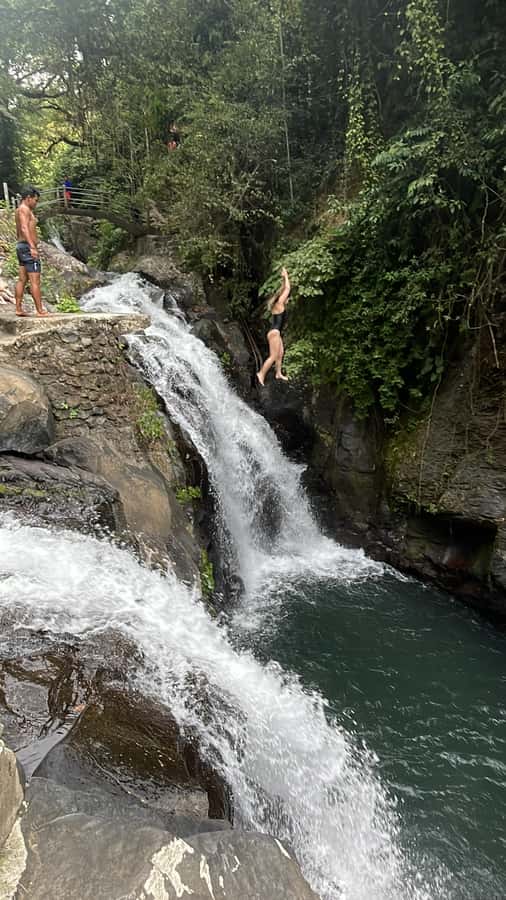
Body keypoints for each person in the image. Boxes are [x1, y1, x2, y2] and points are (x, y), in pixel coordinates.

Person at [14, 186, 49, 317]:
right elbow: (24, 228)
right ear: (28, 198)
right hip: (27, 247)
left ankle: (18, 308)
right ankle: (40, 310)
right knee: (35, 281)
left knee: (22, 279)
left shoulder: (20, 210)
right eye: (35, 200)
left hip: (21, 246)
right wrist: (32, 247)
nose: (36, 203)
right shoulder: (24, 209)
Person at [256, 267, 291, 385]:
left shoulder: (278, 304)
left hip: (276, 333)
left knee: (280, 353)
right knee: (273, 356)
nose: (288, 300)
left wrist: (283, 279)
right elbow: (287, 288)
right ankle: (261, 374)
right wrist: (286, 275)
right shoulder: (279, 304)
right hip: (274, 333)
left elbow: (283, 289)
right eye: (287, 298)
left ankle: (278, 373)